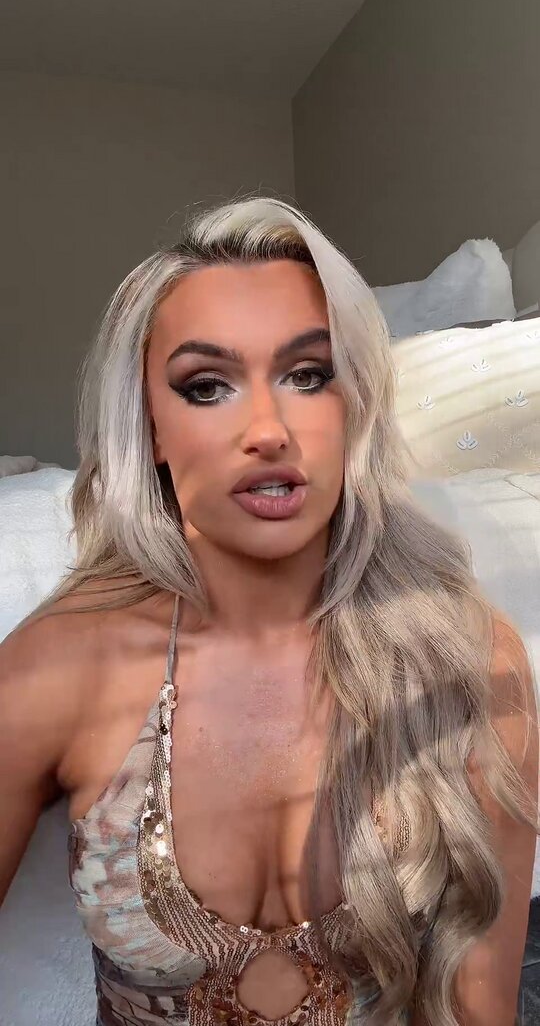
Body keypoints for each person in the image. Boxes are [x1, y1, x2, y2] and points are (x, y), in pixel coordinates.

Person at [0, 196, 537, 1026]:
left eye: (308, 375)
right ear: (150, 427)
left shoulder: (466, 657)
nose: (268, 430)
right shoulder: (59, 667)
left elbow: (481, 1006)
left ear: (353, 405)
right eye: (207, 386)